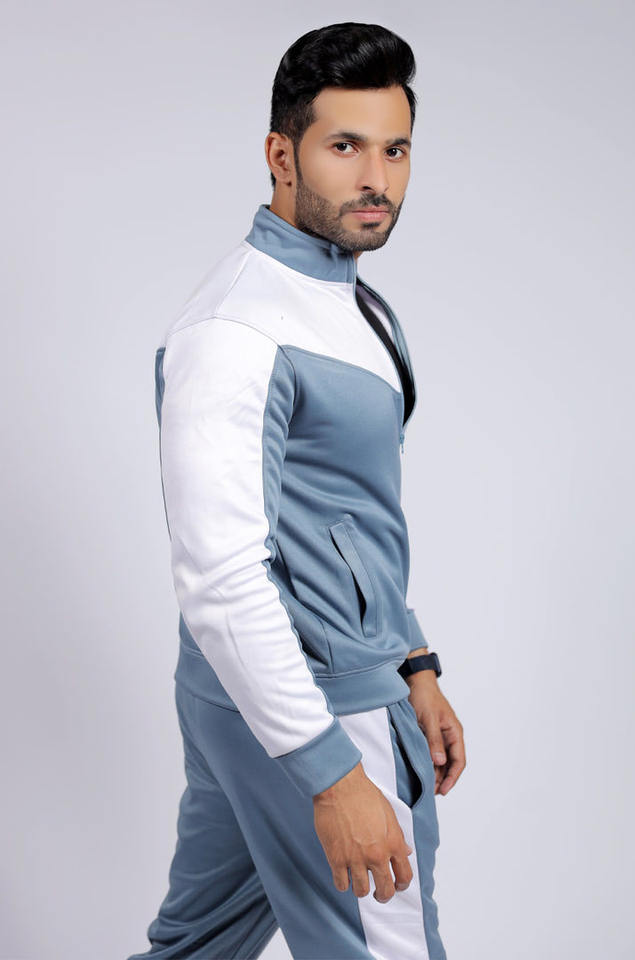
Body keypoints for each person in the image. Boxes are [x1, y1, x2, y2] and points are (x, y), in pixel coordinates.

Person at [128, 21, 465, 960]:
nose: (376, 178)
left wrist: (413, 661)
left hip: (279, 688)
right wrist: (331, 773)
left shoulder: (353, 302)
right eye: (344, 147)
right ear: (282, 155)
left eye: (395, 149)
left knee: (195, 949)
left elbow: (340, 517)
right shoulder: (235, 331)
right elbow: (221, 575)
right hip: (312, 706)